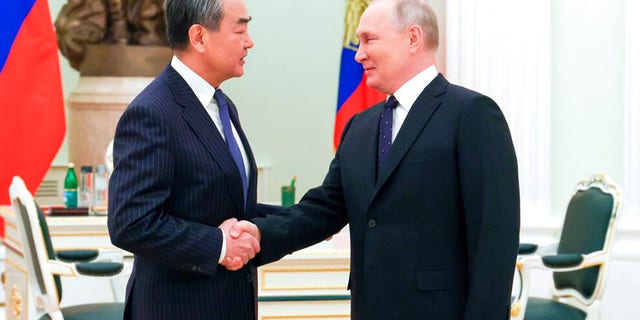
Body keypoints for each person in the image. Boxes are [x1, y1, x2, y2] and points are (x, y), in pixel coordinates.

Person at [231, 0, 520, 319]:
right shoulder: (360, 126)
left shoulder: (472, 115)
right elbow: (325, 208)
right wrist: (258, 234)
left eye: (369, 39)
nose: (358, 54)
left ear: (413, 38)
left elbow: (494, 241)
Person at [108, 0, 272, 318]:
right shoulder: (152, 112)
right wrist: (219, 246)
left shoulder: (222, 106)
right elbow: (130, 222)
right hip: (178, 308)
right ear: (199, 37)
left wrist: (311, 215)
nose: (249, 41)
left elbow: (229, 205)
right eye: (240, 28)